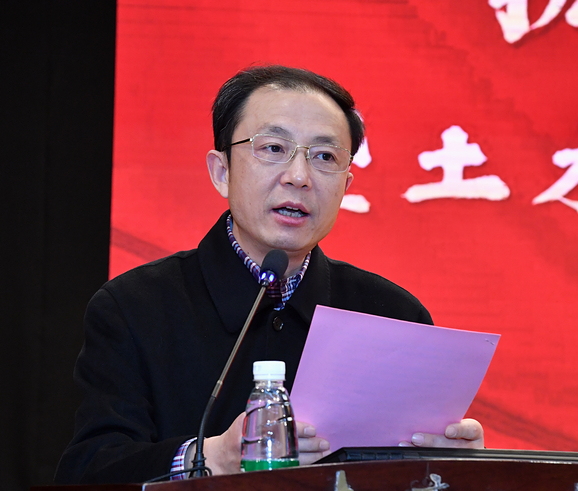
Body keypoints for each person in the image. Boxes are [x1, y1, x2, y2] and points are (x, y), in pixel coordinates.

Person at [55, 65, 484, 484]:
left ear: (346, 186)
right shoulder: (134, 307)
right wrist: (212, 458)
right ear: (222, 172)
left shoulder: (393, 315)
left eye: (324, 157)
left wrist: (455, 472)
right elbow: (89, 470)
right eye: (274, 148)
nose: (299, 177)